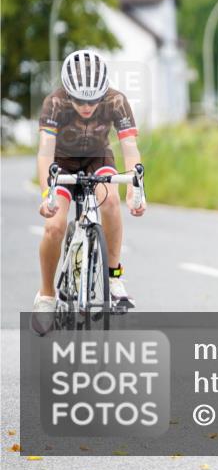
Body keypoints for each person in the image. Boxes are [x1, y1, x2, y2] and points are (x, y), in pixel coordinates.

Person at [32, 50, 146, 335]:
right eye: (80, 100)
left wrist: (135, 186)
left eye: (93, 100)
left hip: (98, 157)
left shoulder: (116, 101)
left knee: (110, 200)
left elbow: (129, 147)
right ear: (67, 93)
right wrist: (47, 194)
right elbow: (45, 151)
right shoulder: (54, 103)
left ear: (104, 92)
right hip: (62, 162)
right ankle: (46, 295)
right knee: (54, 228)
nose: (87, 106)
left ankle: (114, 275)